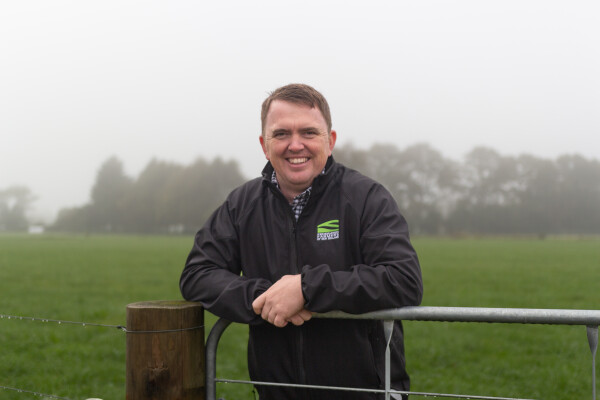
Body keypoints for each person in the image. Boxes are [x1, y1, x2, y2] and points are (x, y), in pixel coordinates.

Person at [180, 83, 423, 400]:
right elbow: (197, 274)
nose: (295, 145)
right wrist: (269, 298)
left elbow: (403, 279)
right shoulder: (242, 205)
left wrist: (307, 290)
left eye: (309, 132)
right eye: (281, 134)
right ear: (264, 145)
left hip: (367, 394)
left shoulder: (366, 199)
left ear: (330, 141)